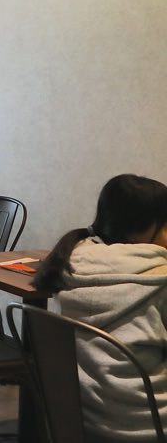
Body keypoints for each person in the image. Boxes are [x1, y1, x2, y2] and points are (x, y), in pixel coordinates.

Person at [32, 174, 167, 441]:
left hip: (77, 419)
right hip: (145, 422)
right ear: (141, 229)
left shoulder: (72, 260)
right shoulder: (159, 276)